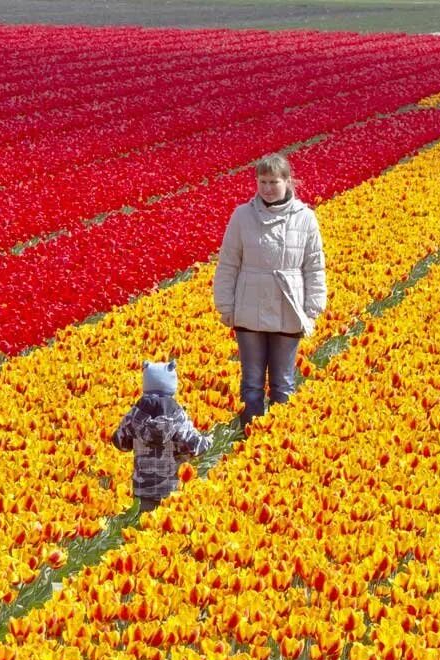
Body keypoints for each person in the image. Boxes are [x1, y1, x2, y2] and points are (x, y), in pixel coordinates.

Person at [213, 153, 328, 430]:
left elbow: (314, 265)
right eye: (261, 181)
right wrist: (225, 306)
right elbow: (228, 263)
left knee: (283, 382)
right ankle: (250, 438)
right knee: (251, 382)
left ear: (287, 182)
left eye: (273, 181)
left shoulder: (305, 218)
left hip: (288, 307)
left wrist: (312, 307)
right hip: (249, 307)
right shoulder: (242, 215)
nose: (266, 187)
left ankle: (276, 441)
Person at [112, 360, 212, 513]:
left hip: (142, 488)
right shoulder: (177, 415)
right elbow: (194, 445)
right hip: (170, 490)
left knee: (144, 530)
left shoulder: (135, 414)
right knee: (164, 529)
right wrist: (208, 441)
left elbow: (120, 442)